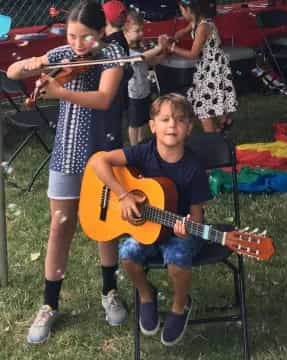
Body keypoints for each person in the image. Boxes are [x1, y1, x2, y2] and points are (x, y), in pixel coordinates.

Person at [7, 0, 128, 344]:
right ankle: (49, 304)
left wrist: (60, 92)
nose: (76, 45)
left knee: (106, 226)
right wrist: (29, 64)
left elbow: (104, 99)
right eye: (71, 36)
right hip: (66, 152)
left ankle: (109, 291)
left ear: (102, 32)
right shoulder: (63, 52)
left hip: (103, 155)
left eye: (85, 37)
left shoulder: (112, 58)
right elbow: (16, 73)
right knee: (60, 227)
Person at [91, 93, 211, 344]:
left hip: (179, 231)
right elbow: (99, 162)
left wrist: (188, 228)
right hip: (147, 230)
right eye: (165, 119)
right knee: (127, 254)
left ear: (189, 128)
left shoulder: (193, 168)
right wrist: (122, 194)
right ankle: (146, 295)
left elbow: (197, 214)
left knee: (177, 259)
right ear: (152, 125)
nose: (172, 125)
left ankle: (180, 305)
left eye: (179, 120)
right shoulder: (143, 152)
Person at [159, 0, 238, 133]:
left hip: (212, 69)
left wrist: (171, 47)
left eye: (182, 11)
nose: (182, 14)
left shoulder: (203, 27)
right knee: (212, 97)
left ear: (189, 10)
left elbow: (193, 54)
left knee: (202, 106)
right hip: (208, 67)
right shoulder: (196, 22)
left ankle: (211, 139)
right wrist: (174, 37)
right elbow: (183, 31)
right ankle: (224, 122)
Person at [123, 10, 168, 145]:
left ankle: (141, 143)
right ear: (125, 33)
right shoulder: (127, 50)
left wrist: (163, 54)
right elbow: (141, 58)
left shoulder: (140, 48)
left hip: (145, 91)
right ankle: (133, 146)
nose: (141, 34)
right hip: (133, 94)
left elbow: (149, 61)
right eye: (137, 31)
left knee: (143, 120)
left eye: (142, 30)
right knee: (134, 123)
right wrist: (159, 47)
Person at [101, 0, 130, 150]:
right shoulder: (113, 39)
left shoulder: (115, 41)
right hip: (115, 94)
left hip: (113, 94)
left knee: (111, 133)